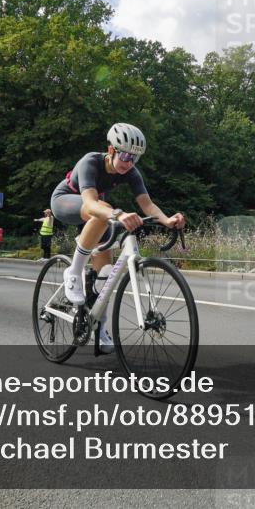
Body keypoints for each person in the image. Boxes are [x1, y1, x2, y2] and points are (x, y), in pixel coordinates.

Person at [50, 122, 185, 353]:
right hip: (66, 200)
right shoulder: (90, 162)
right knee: (104, 210)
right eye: (125, 155)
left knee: (106, 275)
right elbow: (90, 204)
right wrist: (118, 214)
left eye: (135, 158)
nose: (129, 162)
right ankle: (73, 271)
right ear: (111, 150)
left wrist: (167, 220)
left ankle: (98, 327)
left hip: (100, 213)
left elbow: (147, 205)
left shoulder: (131, 171)